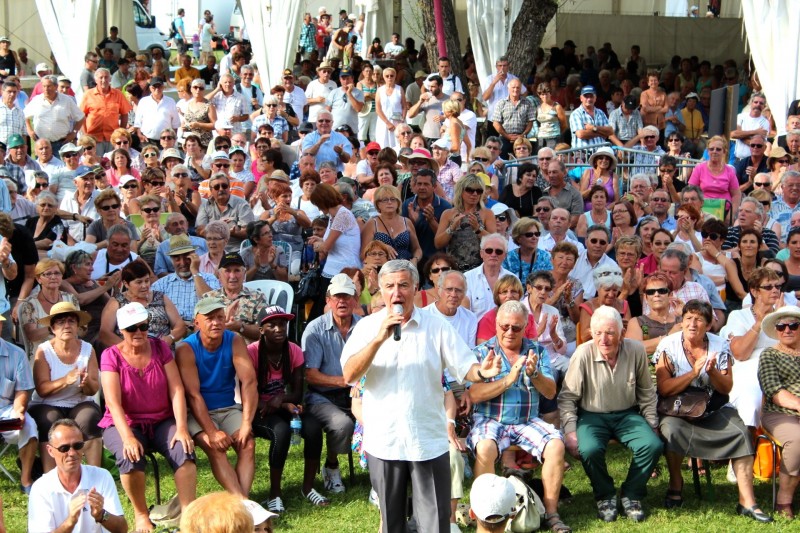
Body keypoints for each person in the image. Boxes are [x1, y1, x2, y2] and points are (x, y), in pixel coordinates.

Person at [340, 260, 502, 532]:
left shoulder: (436, 326)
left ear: (416, 288)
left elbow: (465, 366)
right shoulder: (368, 327)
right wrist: (380, 338)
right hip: (385, 441)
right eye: (389, 286)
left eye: (403, 285)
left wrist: (482, 372)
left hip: (426, 440)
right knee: (391, 523)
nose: (396, 293)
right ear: (380, 289)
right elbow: (349, 374)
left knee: (435, 524)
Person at [654, 300, 772, 522]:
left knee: (741, 432)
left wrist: (711, 372)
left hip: (713, 406)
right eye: (688, 318)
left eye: (699, 319)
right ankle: (675, 483)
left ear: (708, 325)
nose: (692, 323)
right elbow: (664, 388)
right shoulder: (668, 346)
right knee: (670, 429)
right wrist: (692, 374)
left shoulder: (719, 345)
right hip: (677, 409)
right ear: (682, 322)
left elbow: (726, 387)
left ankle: (747, 501)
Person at [469, 300, 571, 532]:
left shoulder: (538, 351)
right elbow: (474, 395)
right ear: (496, 325)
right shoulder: (482, 352)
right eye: (504, 326)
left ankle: (551, 512)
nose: (509, 332)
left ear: (525, 327)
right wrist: (507, 379)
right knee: (485, 447)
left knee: (555, 444)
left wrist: (534, 374)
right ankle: (485, 515)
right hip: (490, 419)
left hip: (527, 421)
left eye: (516, 327)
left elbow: (550, 391)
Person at [559, 305, 663, 523]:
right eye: (598, 333)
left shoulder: (635, 350)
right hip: (592, 414)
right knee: (589, 448)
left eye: (610, 333)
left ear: (622, 334)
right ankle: (604, 495)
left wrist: (652, 422)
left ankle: (631, 494)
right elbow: (568, 397)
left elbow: (646, 391)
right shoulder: (583, 353)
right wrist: (570, 432)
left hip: (627, 413)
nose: (603, 339)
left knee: (652, 445)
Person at [248, 306, 328, 511]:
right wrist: (278, 403)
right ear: (261, 330)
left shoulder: (293, 350)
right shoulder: (252, 353)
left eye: (282, 324)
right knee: (280, 432)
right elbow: (247, 394)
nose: (278, 329)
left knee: (312, 427)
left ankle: (308, 487)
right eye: (272, 325)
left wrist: (282, 400)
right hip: (258, 409)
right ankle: (275, 493)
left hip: (282, 405)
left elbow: (297, 393)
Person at [176, 296, 257, 497]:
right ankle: (242, 503)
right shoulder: (186, 348)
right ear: (197, 322)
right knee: (215, 448)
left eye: (220, 317)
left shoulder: (234, 339)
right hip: (197, 412)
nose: (216, 323)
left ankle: (242, 502)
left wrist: (246, 423)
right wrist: (211, 432)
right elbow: (193, 395)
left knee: (248, 444)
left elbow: (249, 381)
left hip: (228, 407)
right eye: (210, 318)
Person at [28, 302, 101, 471]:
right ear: (53, 328)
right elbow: (42, 389)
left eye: (71, 321)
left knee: (89, 417)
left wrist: (86, 383)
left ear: (77, 326)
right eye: (61, 322)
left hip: (79, 402)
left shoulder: (88, 349)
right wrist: (65, 380)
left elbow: (93, 389)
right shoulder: (44, 350)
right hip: (47, 403)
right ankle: (51, 477)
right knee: (49, 419)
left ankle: (94, 475)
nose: (67, 326)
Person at [28, 419, 127, 533]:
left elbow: (122, 529)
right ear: (50, 451)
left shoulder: (102, 476)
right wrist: (71, 521)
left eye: (77, 445)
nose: (72, 453)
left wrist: (101, 515)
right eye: (64, 448)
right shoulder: (41, 488)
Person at [720, 267, 782, 429]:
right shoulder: (739, 316)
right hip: (750, 372)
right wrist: (759, 323)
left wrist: (782, 318)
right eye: (768, 287)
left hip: (782, 368)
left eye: (777, 286)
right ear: (754, 291)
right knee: (752, 401)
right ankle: (750, 446)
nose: (775, 290)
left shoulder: (786, 315)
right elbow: (740, 353)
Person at [758, 305, 800, 519]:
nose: (787, 330)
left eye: (793, 325)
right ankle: (784, 500)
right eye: (782, 326)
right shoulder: (769, 355)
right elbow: (775, 392)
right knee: (797, 440)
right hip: (779, 413)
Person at [0, 314, 38, 493]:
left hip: (6, 409)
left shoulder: (17, 354)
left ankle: (26, 480)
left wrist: (19, 411)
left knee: (29, 425)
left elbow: (22, 390)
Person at [152, 234, 220, 324]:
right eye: (177, 259)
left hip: (201, 330)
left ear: (194, 256)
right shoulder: (160, 285)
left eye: (186, 257)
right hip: (174, 331)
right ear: (171, 260)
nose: (183, 263)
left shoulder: (209, 278)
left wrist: (195, 271)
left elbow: (212, 303)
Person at [435, 174, 497, 272]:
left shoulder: (487, 213)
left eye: (479, 191)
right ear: (461, 190)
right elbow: (438, 243)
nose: (475, 194)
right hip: (453, 270)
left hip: (479, 270)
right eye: (470, 190)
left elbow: (495, 243)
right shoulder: (448, 214)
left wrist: (478, 229)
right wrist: (451, 229)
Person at [24, 74, 85, 155]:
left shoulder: (67, 100)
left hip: (61, 143)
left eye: (49, 86)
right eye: (44, 86)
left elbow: (81, 117)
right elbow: (24, 115)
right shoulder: (37, 100)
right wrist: (29, 130)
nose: (46, 89)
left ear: (56, 87)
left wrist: (74, 133)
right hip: (42, 144)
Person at [79, 68, 131, 154]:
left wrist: (121, 132)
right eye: (101, 77)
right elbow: (81, 115)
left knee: (112, 164)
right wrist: (85, 135)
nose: (104, 80)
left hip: (113, 138)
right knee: (97, 164)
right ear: (96, 80)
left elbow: (124, 114)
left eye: (106, 77)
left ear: (110, 79)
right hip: (94, 138)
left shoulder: (118, 94)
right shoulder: (88, 94)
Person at [374, 67, 407, 149]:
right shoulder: (380, 90)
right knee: (383, 145)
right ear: (383, 77)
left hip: (397, 122)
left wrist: (402, 120)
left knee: (397, 144)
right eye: (387, 76)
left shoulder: (399, 89)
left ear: (395, 76)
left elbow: (404, 106)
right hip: (383, 122)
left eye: (391, 76)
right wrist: (387, 122)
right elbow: (378, 109)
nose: (389, 78)